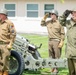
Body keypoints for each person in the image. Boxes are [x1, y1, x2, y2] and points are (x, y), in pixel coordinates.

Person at [59, 8, 76, 75]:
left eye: (75, 13)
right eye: (72, 13)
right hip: (69, 52)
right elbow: (61, 21)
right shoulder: (69, 22)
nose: (73, 14)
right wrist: (65, 14)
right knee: (71, 72)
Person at [0, 8, 16, 75]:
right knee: (0, 61)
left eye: (0, 14)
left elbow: (13, 34)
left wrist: (11, 44)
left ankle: (5, 73)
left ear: (5, 15)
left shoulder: (9, 23)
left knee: (5, 61)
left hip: (5, 45)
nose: (0, 15)